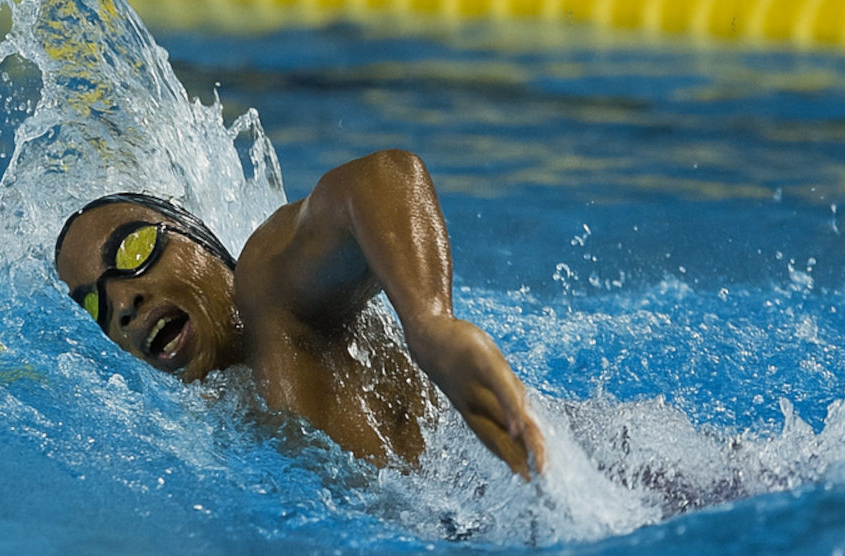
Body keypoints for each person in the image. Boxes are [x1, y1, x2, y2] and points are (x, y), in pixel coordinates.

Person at [53, 149, 546, 479]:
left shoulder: (267, 290)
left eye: (132, 249)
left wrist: (431, 321)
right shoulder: (217, 407)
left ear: (195, 237)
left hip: (538, 463)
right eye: (96, 304)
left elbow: (382, 176)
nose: (122, 304)